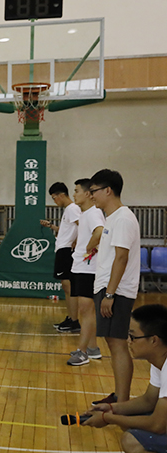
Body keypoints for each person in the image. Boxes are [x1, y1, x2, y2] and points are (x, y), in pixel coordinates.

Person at [83, 304, 167, 453]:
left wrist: (107, 418)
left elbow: (157, 425)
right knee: (128, 418)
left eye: (133, 337)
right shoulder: (159, 361)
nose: (128, 341)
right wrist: (112, 408)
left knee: (132, 441)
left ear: (154, 340)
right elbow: (148, 401)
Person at [90, 168, 140, 404]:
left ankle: (122, 400)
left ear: (108, 190)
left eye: (94, 191)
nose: (91, 196)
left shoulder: (123, 218)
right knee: (113, 343)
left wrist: (109, 294)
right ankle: (119, 396)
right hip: (109, 288)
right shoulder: (112, 218)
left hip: (116, 291)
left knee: (118, 344)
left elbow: (121, 257)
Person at [66, 178, 105, 366]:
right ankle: (93, 348)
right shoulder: (85, 214)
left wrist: (89, 247)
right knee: (86, 310)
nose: (74, 194)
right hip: (80, 266)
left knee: (86, 310)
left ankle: (82, 352)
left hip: (88, 268)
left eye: (76, 191)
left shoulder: (94, 213)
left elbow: (100, 231)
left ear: (88, 194)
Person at [40, 182, 81, 333]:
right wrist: (51, 226)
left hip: (67, 251)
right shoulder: (69, 210)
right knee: (66, 286)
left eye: (54, 198)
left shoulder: (72, 209)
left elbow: (83, 226)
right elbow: (67, 230)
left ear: (61, 195)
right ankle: (71, 317)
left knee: (69, 286)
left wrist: (78, 240)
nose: (54, 201)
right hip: (63, 249)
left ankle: (74, 321)